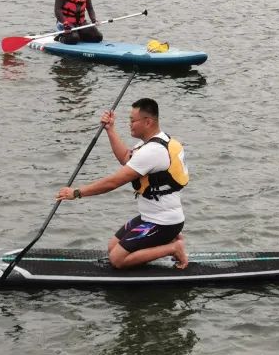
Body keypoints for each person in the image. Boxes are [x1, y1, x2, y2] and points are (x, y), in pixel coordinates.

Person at [56, 98, 188, 270]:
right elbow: (126, 157)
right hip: (150, 217)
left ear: (148, 122)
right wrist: (110, 129)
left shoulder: (152, 151)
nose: (130, 124)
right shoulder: (153, 142)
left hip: (163, 222)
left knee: (117, 260)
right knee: (112, 247)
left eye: (133, 120)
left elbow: (113, 182)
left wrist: (77, 193)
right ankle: (167, 241)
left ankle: (174, 247)